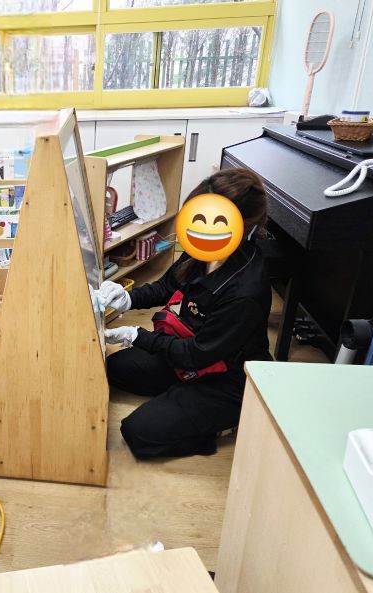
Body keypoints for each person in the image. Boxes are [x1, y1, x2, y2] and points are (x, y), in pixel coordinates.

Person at [98, 168, 272, 459]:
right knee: (113, 368)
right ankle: (181, 395)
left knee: (138, 433)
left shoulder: (245, 290)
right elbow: (167, 286)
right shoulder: (205, 244)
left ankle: (219, 424)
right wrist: (127, 298)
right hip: (190, 353)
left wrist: (137, 336)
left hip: (224, 376)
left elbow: (196, 354)